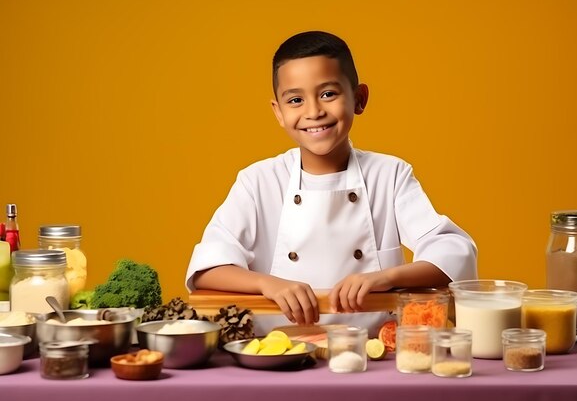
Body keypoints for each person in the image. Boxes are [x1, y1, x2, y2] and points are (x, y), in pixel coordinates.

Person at [186, 30, 477, 335]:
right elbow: (207, 268)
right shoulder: (258, 181)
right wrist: (268, 284)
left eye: (328, 94)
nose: (314, 112)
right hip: (281, 351)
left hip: (372, 352)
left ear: (359, 98)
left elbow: (454, 252)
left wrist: (387, 277)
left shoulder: (389, 174)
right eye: (295, 100)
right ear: (279, 113)